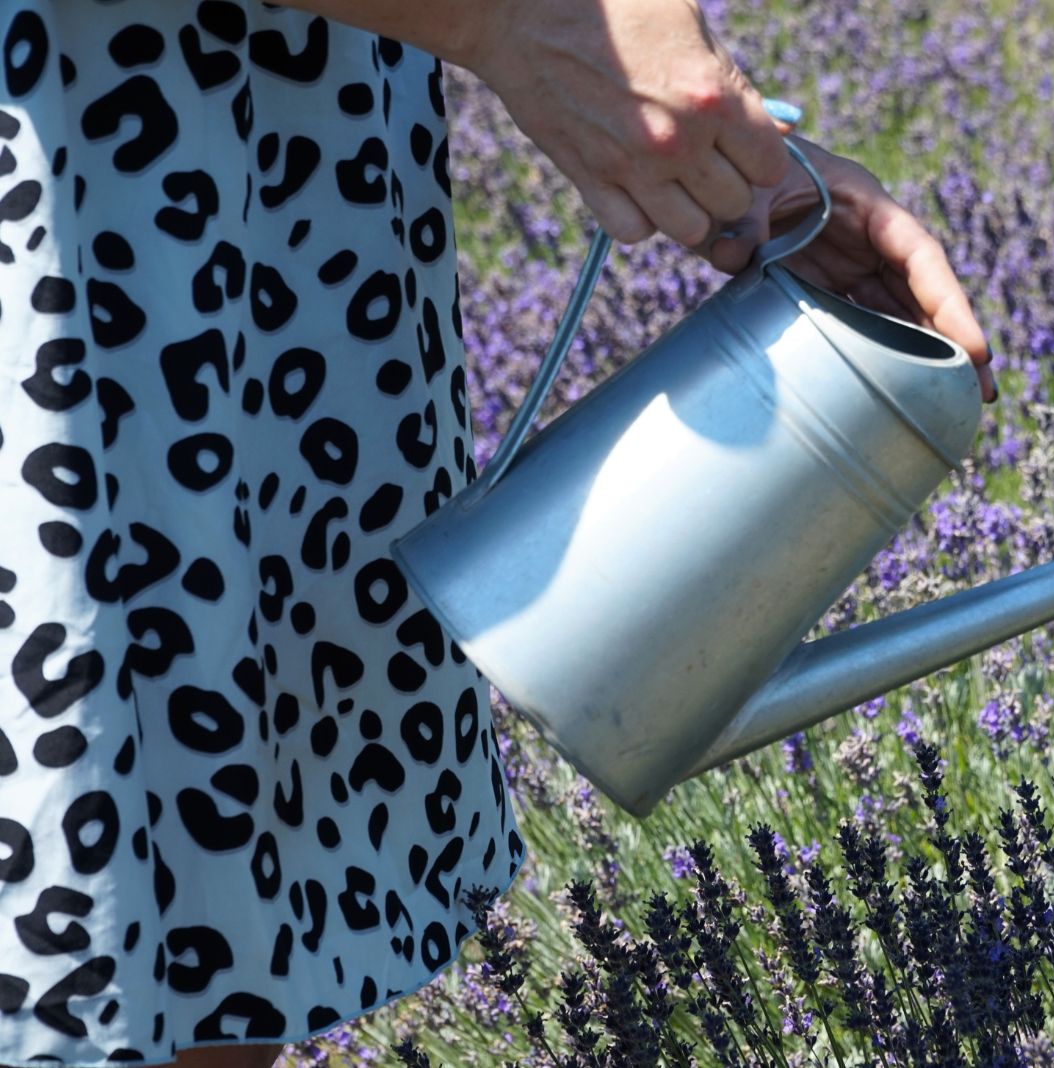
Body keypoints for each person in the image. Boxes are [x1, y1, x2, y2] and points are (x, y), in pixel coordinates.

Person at [0, 0, 995, 1065]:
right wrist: (519, 24)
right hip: (68, 208)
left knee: (214, 947)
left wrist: (719, 155)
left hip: (278, 217)